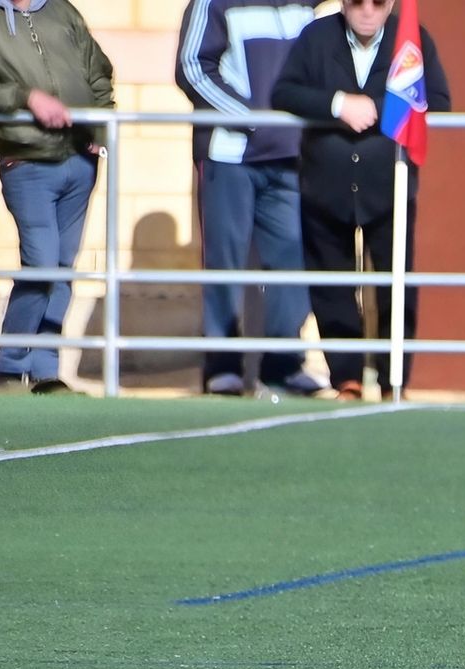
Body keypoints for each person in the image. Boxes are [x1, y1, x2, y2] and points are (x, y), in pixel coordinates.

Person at [270, 0, 450, 401]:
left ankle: (392, 381)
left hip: (389, 186)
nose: (368, 11)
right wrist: (338, 104)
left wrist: (380, 109)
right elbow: (284, 92)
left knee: (395, 286)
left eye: (378, 2)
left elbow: (437, 99)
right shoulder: (317, 37)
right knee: (333, 286)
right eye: (357, 2)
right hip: (325, 184)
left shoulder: (413, 41)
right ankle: (346, 379)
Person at [0, 0, 112, 396]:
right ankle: (9, 371)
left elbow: (98, 72)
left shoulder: (61, 11)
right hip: (26, 161)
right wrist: (25, 97)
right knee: (42, 266)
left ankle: (45, 373)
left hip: (80, 160)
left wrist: (99, 136)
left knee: (63, 269)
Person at [177, 0, 325, 399]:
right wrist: (251, 117)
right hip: (229, 156)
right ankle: (222, 367)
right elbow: (192, 67)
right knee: (225, 260)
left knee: (294, 259)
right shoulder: (212, 3)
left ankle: (283, 365)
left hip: (292, 158)